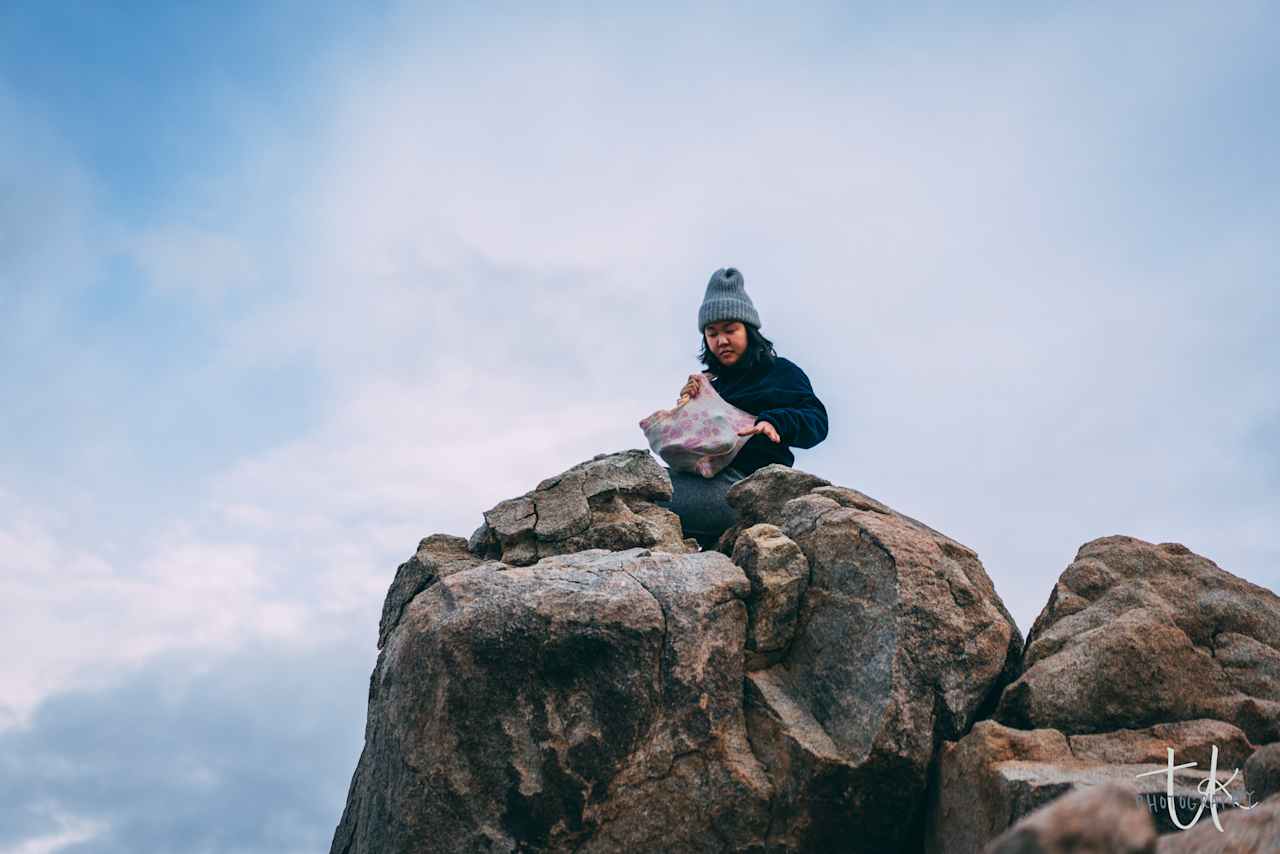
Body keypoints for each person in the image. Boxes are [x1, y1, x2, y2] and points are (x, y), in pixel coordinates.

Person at [655, 267, 829, 550]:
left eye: (730, 330)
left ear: (749, 330)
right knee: (639, 479)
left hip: (745, 490)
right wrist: (689, 412)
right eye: (712, 333)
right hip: (701, 481)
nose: (721, 341)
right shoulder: (713, 384)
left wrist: (774, 422)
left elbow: (817, 422)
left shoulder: (779, 371)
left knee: (639, 494)